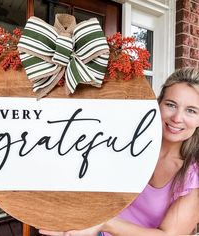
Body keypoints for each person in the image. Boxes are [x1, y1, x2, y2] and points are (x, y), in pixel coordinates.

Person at [39, 68, 199, 236]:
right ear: (158, 104)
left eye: (191, 110)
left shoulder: (192, 175)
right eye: (171, 105)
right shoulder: (127, 143)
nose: (177, 118)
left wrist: (104, 224)